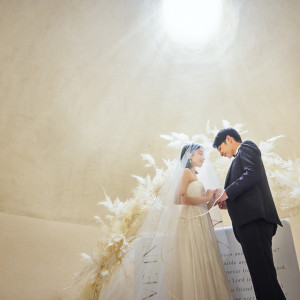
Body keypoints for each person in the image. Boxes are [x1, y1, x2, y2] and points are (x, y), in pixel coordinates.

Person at [98, 143, 232, 300]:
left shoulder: (195, 176)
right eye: (200, 153)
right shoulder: (186, 173)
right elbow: (178, 198)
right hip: (189, 225)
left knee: (203, 265)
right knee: (191, 265)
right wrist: (206, 197)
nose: (203, 157)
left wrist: (212, 199)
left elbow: (202, 206)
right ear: (189, 155)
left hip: (201, 225)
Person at [213, 128, 286, 300]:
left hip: (254, 222)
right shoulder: (238, 158)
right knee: (262, 278)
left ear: (228, 139)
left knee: (264, 278)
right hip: (250, 224)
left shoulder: (246, 147)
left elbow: (252, 174)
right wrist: (228, 202)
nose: (221, 154)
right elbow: (248, 186)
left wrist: (226, 193)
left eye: (220, 149)